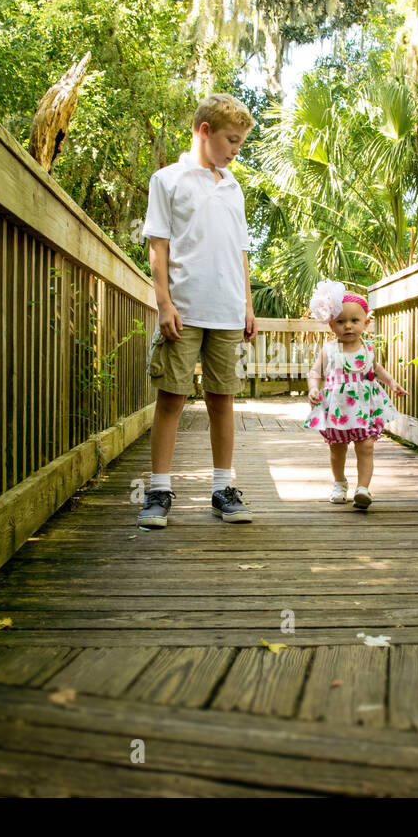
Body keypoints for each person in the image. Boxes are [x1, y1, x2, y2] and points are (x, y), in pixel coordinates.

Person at [137, 93, 257, 528]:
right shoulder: (167, 179)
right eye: (231, 140)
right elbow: (158, 245)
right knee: (171, 398)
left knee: (222, 400)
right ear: (205, 131)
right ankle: (159, 491)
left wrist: (247, 303)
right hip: (183, 310)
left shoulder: (233, 186)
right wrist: (164, 303)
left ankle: (223, 488)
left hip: (227, 311)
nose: (235, 150)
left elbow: (241, 251)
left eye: (240, 143)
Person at [302, 279, 409, 508]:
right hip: (338, 408)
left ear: (366, 323)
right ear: (331, 325)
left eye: (354, 320)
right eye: (341, 321)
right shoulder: (329, 349)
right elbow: (314, 371)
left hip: (364, 406)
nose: (348, 326)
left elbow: (376, 369)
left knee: (366, 445)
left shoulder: (368, 349)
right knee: (337, 448)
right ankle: (339, 483)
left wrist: (392, 383)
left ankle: (363, 489)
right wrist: (313, 388)